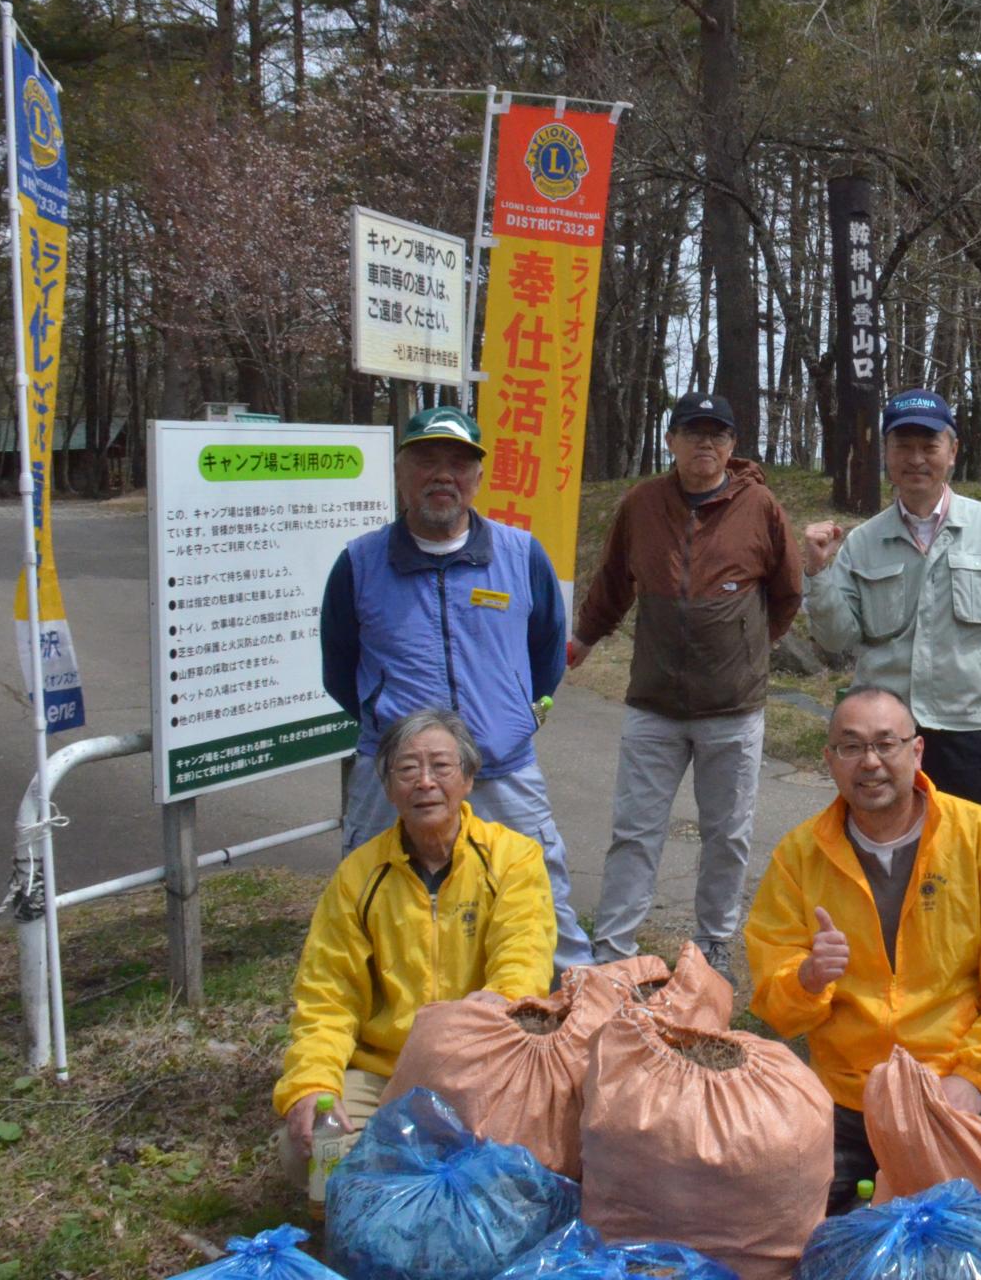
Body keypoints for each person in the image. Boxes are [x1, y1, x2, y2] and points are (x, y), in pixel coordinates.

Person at [744, 684, 981, 1213]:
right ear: (829, 760)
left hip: (946, 1088)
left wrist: (973, 1076)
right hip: (844, 1097)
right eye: (851, 746)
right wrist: (808, 979)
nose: (870, 762)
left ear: (916, 751)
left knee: (975, 1240)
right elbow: (774, 998)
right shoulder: (799, 856)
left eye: (886, 744)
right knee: (802, 1235)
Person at [319, 405, 591, 972]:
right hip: (396, 776)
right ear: (400, 472)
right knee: (371, 901)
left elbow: (547, 649)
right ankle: (378, 1026)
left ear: (477, 478)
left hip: (502, 768)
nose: (443, 475)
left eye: (458, 463)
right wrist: (385, 727)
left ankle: (575, 1019)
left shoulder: (521, 555)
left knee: (544, 898)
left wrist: (516, 714)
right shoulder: (360, 563)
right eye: (426, 460)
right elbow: (339, 668)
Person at [570, 393, 803, 971]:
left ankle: (713, 942)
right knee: (635, 831)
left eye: (717, 435)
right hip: (654, 704)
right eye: (693, 433)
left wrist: (750, 645)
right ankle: (614, 947)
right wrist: (584, 639)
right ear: (670, 441)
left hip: (733, 710)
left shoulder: (761, 506)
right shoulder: (641, 504)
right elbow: (612, 584)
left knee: (726, 835)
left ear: (732, 446)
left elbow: (788, 590)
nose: (706, 444)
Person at [273, 708, 555, 1184]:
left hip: (479, 1065)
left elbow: (522, 959)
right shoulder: (359, 876)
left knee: (517, 1168)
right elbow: (327, 996)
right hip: (385, 1070)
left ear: (467, 778)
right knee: (312, 1153)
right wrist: (312, 1085)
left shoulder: (512, 859)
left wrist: (496, 1004)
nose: (425, 782)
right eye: (408, 769)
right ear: (388, 788)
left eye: (441, 767)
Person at [800, 389, 981, 812]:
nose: (917, 458)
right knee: (884, 855)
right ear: (887, 455)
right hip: (884, 737)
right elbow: (837, 638)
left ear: (952, 451)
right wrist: (818, 574)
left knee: (969, 857)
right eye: (903, 446)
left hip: (967, 729)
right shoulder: (863, 542)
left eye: (929, 445)